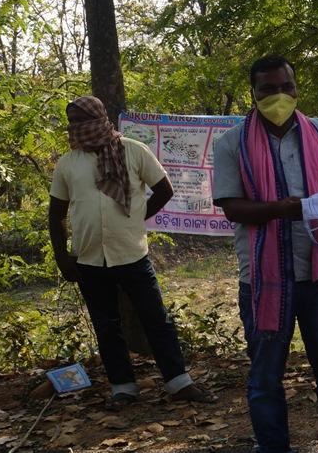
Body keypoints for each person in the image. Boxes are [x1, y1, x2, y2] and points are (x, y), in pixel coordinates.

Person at [212, 54, 318, 453]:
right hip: (263, 280)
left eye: (285, 87)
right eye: (268, 89)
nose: (279, 96)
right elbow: (231, 207)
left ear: (295, 87)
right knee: (265, 378)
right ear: (254, 94)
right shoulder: (231, 144)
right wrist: (280, 209)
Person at [48, 95, 213, 409]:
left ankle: (179, 382)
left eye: (82, 121)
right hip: (88, 259)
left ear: (99, 119)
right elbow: (56, 213)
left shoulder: (133, 151)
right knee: (107, 325)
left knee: (156, 319)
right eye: (72, 123)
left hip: (132, 254)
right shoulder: (68, 162)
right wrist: (61, 256)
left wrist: (137, 218)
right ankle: (123, 388)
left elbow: (164, 190)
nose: (77, 129)